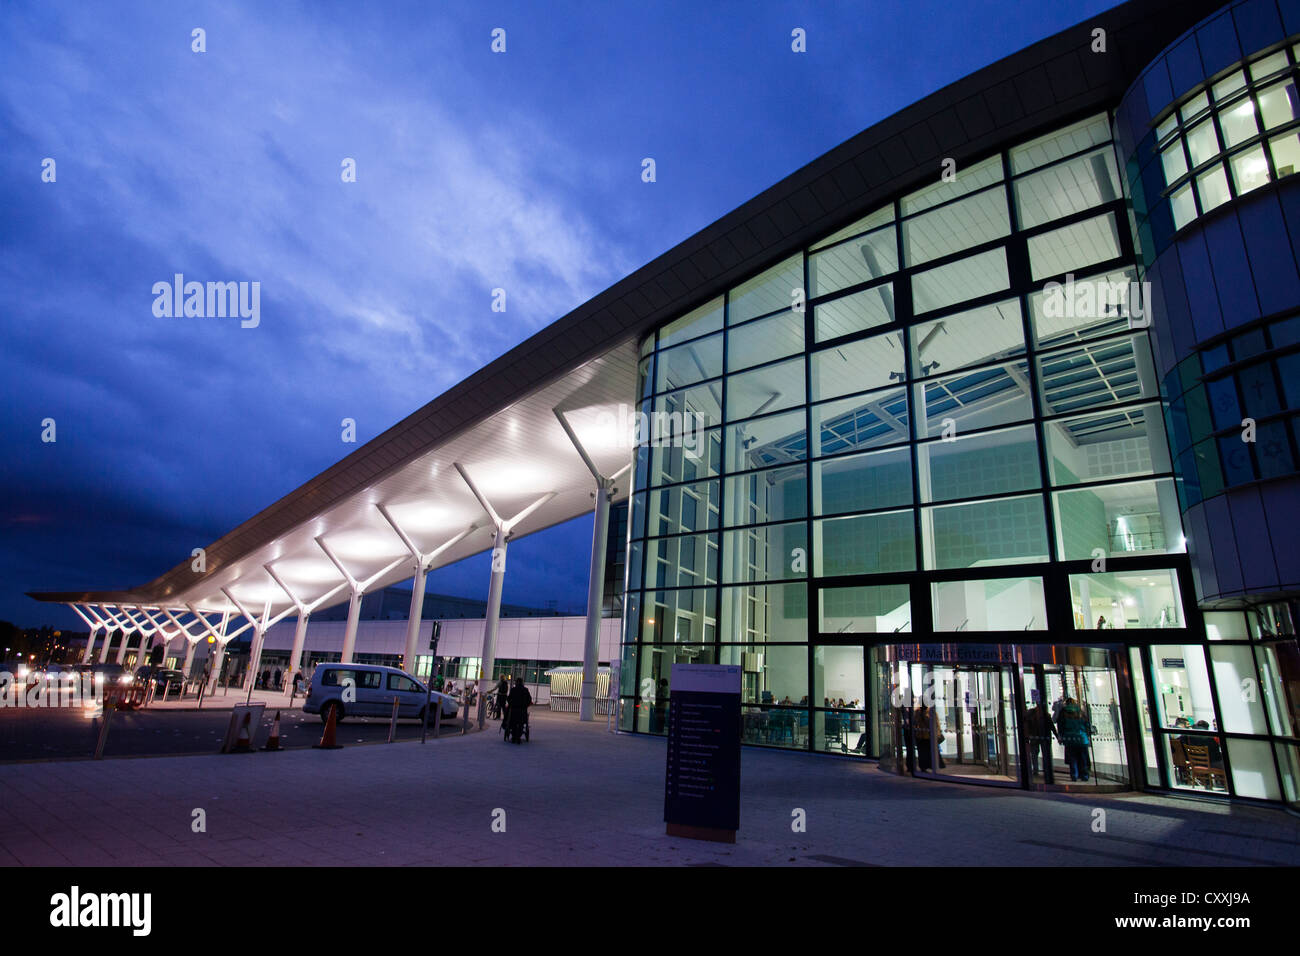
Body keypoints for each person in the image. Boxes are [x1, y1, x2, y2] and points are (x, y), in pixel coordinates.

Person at [1056, 697, 1092, 781]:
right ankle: (1084, 775)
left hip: (1069, 738)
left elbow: (1060, 725)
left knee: (1073, 758)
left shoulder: (1063, 712)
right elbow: (1086, 724)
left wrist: (1061, 735)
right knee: (1083, 758)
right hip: (1082, 738)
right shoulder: (1080, 712)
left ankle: (1074, 775)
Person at [1025, 700, 1054, 777]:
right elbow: (1051, 726)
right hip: (1042, 737)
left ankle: (1036, 769)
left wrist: (1027, 735)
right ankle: (1045, 770)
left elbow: (1027, 725)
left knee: (1035, 754)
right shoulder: (1045, 714)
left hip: (1034, 737)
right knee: (1043, 753)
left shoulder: (1031, 713)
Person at [506, 677, 532, 744]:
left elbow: (508, 698)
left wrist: (511, 704)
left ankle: (514, 736)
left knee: (513, 723)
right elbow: (529, 700)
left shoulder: (513, 690)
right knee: (521, 723)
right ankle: (518, 737)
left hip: (514, 710)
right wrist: (525, 705)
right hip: (522, 710)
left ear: (516, 682)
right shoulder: (525, 690)